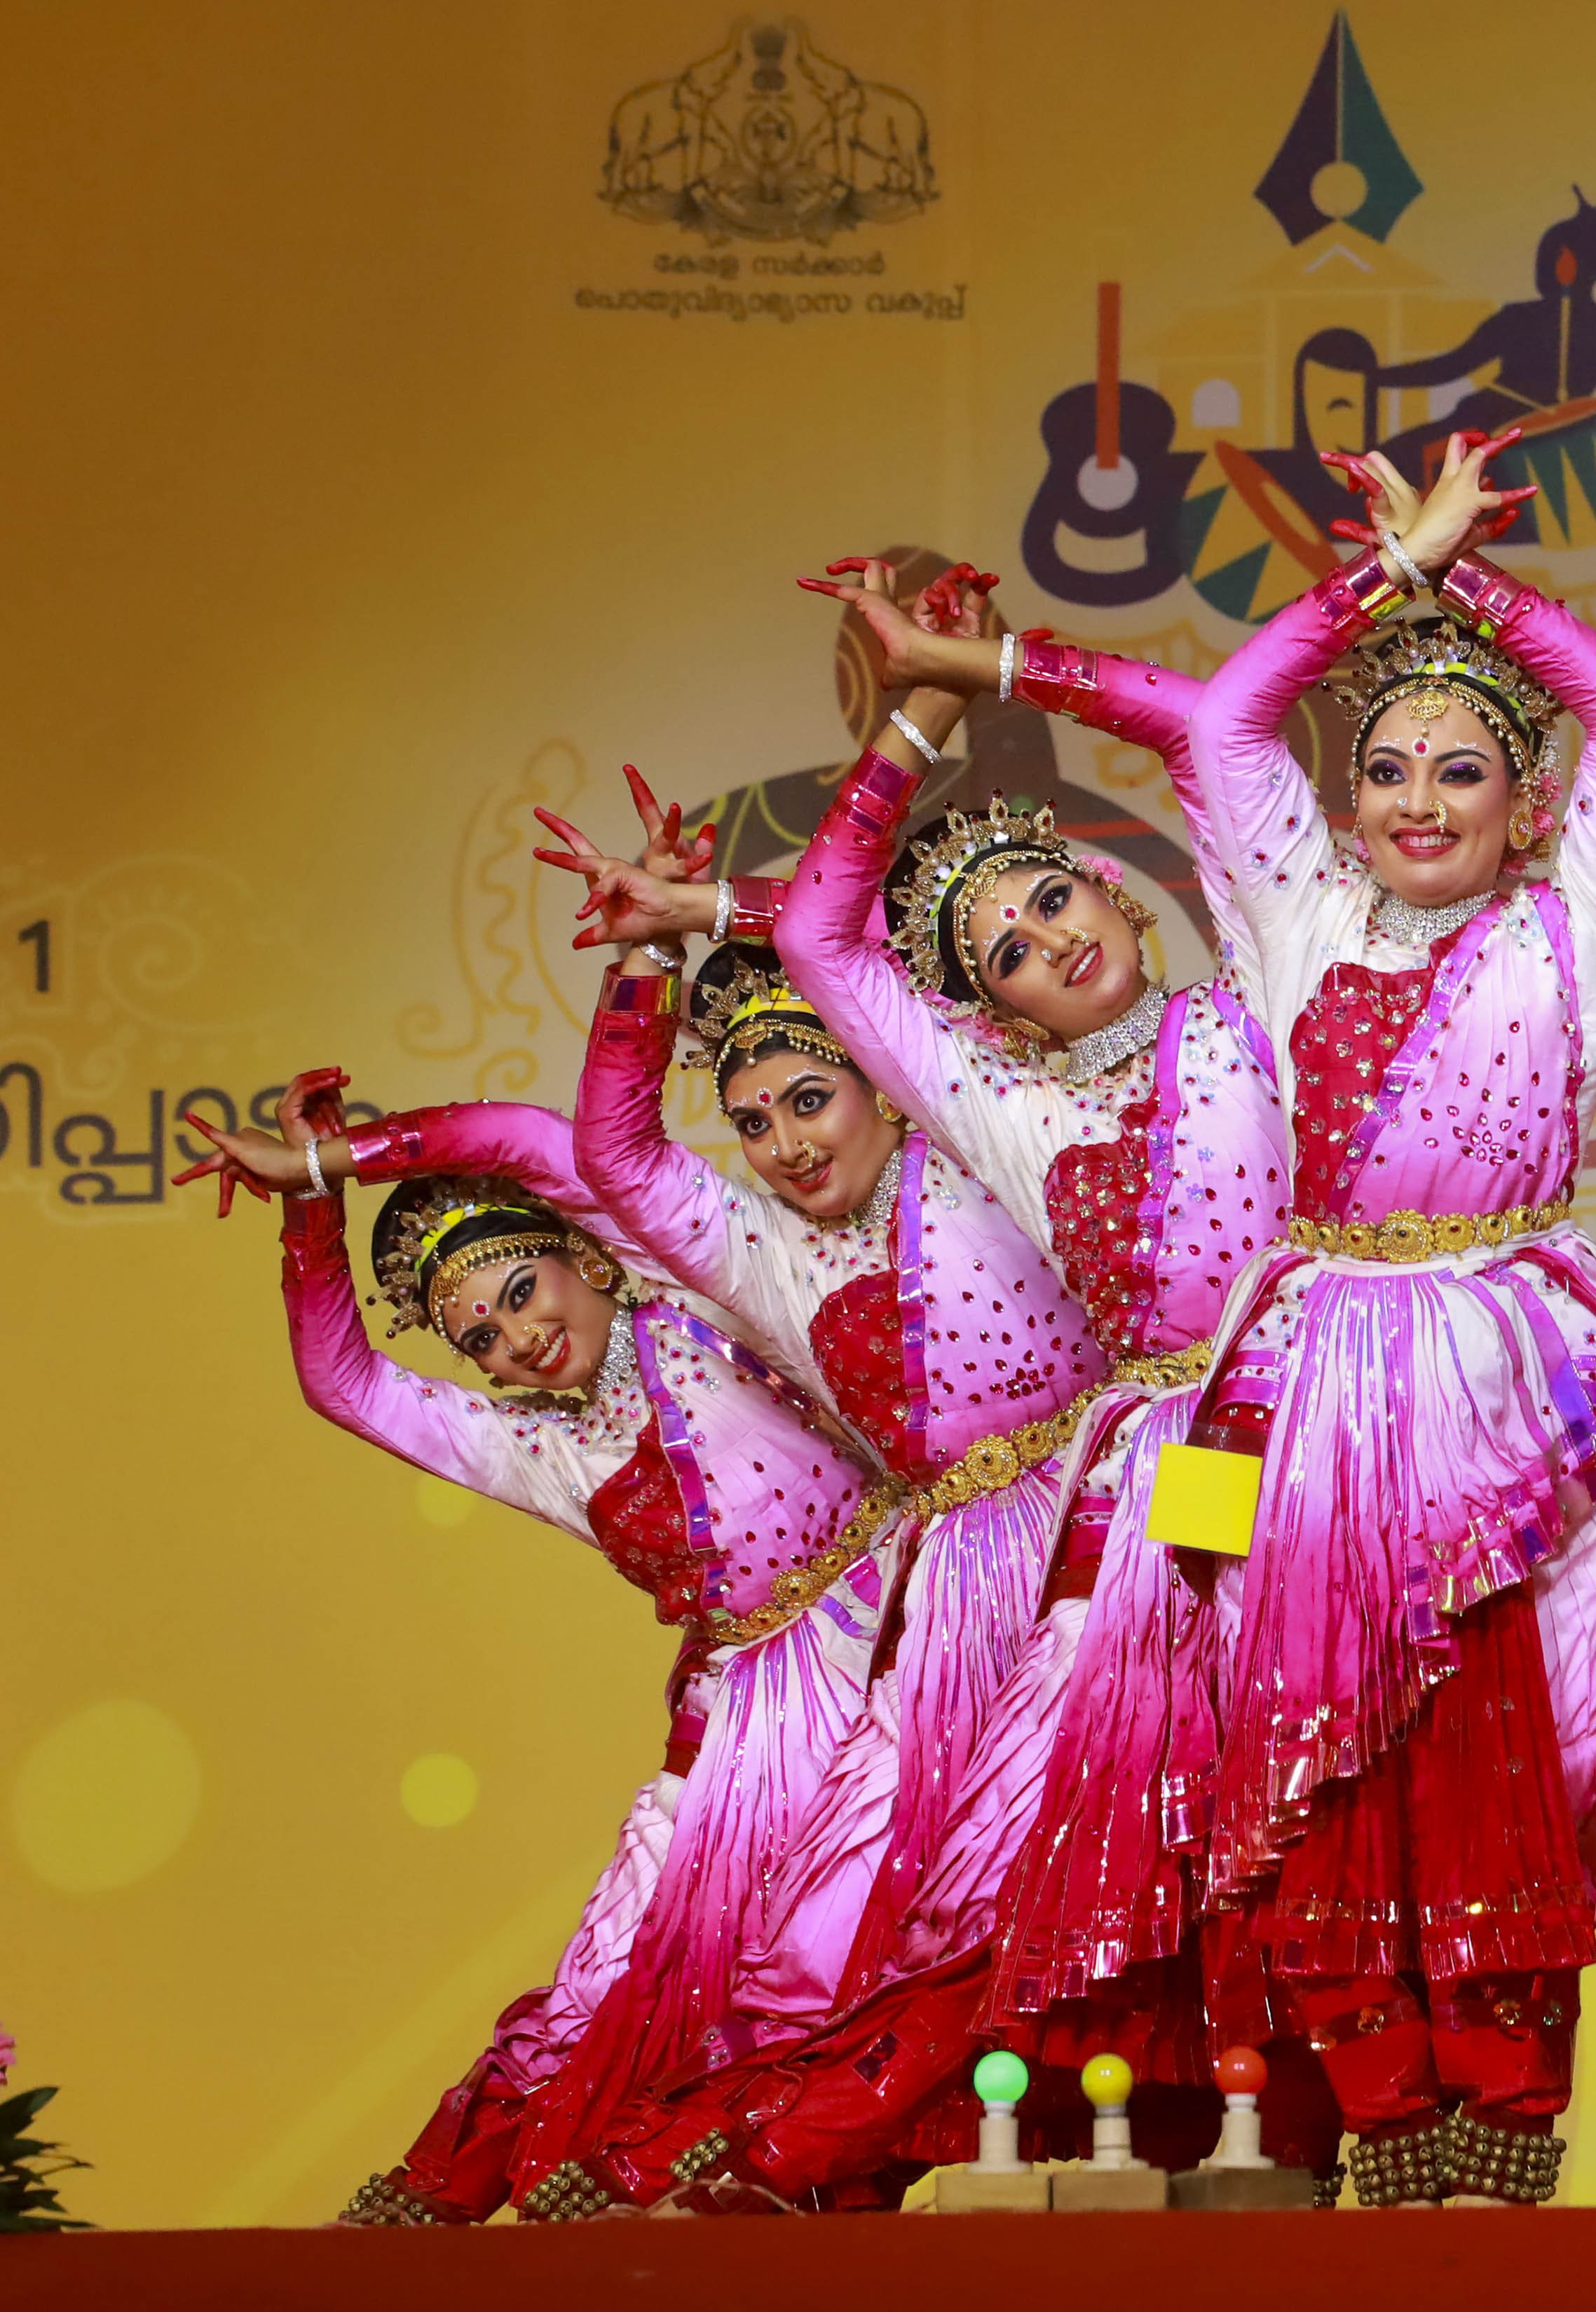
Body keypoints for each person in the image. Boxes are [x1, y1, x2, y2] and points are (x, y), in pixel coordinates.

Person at [535, 562, 1313, 2204]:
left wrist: (978, 665)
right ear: (979, 1016)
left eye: (1056, 904)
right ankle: (830, 2145)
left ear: (1123, 892)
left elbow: (1210, 730)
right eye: (1005, 953)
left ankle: (1299, 2154)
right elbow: (792, 971)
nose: (1048, 945)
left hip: (1317, 1439)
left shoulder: (1256, 999)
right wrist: (898, 741)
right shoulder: (993, 1115)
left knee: (1280, 1812)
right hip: (1125, 1493)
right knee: (1026, 1833)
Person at [1178, 433, 1596, 2203]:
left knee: (1512, 1723)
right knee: (1288, 1722)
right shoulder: (1301, 916)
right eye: (1384, 767)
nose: (1415, 799)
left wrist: (1472, 580)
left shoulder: (1573, 922)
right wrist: (1379, 584)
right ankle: (1382, 2100)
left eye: (1461, 770)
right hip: (1300, 1374)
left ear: (1525, 806)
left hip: (1514, 1356)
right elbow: (1232, 725)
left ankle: (1508, 2104)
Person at [177, 1068, 896, 2224]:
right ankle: (463, 2186)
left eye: (522, 1289)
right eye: (483, 1338)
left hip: (895, 1645)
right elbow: (343, 1382)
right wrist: (308, 1224)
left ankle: (784, 2171)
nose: (519, 1336)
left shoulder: (700, 1298)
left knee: (837, 1941)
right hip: (738, 1708)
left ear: (587, 1257)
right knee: (622, 1952)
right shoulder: (533, 1441)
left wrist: (336, 1162)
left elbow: (529, 1141)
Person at [510, 900, 1114, 2214]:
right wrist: (646, 969)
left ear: (886, 1086)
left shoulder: (978, 1142)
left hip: (1105, 1528)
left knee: (1081, 1875)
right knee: (873, 1888)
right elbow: (597, 1150)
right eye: (754, 1122)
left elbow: (860, 952)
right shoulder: (767, 1260)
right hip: (949, 1587)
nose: (785, 1142)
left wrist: (729, 910)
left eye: (810, 1098)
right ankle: (783, 2153)